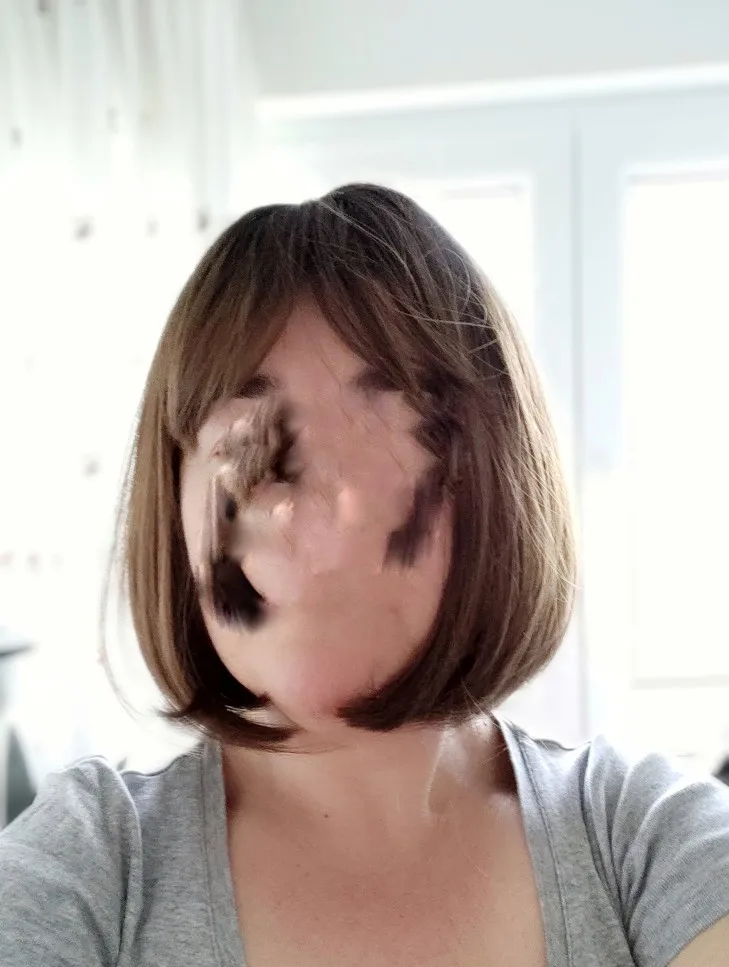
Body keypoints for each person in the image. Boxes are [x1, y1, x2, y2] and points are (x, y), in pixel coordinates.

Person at [1, 184, 728, 967]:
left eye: (390, 440)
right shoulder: (89, 869)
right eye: (247, 448)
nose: (321, 521)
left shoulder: (651, 840)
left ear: (496, 486)